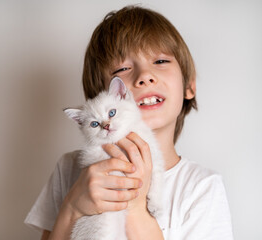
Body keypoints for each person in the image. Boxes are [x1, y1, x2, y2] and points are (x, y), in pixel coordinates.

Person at [25, 5, 233, 240]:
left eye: (161, 61)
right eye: (123, 68)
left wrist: (135, 208)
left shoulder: (202, 187)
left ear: (189, 86)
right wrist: (73, 207)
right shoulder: (69, 169)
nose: (144, 76)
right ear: (102, 97)